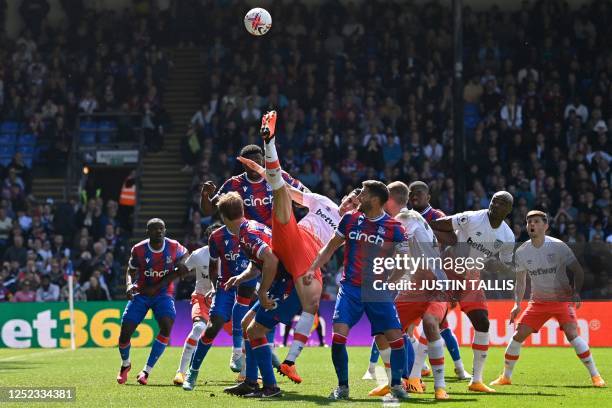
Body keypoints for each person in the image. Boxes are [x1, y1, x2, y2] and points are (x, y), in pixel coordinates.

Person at [236, 111, 357, 383]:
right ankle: (270, 143)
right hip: (293, 238)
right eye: (350, 198)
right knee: (282, 195)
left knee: (312, 305)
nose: (350, 203)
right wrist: (258, 169)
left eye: (356, 204)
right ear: (345, 196)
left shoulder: (353, 224)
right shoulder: (323, 201)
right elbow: (287, 186)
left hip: (309, 255)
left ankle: (289, 362)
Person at [306, 180, 411, 400]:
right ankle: (342, 387)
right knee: (338, 336)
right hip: (350, 288)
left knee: (396, 338)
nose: (358, 197)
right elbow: (330, 246)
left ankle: (397, 385)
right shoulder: (350, 219)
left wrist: (389, 285)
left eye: (362, 193)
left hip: (377, 291)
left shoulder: (395, 228)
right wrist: (313, 267)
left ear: (374, 199)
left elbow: (404, 262)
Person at [490, 210, 605, 388]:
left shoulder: (558, 246)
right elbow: (520, 283)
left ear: (546, 226)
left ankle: (596, 376)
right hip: (538, 303)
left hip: (560, 300)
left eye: (536, 221)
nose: (532, 225)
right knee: (517, 337)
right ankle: (506, 376)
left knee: (572, 334)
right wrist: (516, 305)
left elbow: (578, 270)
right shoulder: (521, 252)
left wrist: (576, 292)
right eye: (529, 222)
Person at [367, 181, 449, 400]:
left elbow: (401, 261)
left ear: (390, 200)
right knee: (383, 331)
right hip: (415, 286)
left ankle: (440, 387)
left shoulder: (406, 219)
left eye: (384, 201)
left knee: (431, 324)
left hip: (435, 285)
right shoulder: (407, 219)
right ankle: (395, 381)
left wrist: (384, 285)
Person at [430, 191, 515, 393]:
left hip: (472, 277)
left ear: (508, 210)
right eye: (494, 200)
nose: (495, 205)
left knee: (483, 322)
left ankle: (476, 381)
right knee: (431, 320)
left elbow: (503, 265)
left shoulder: (507, 236)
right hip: (449, 270)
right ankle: (414, 374)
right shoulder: (473, 217)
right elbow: (440, 224)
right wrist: (445, 242)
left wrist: (500, 267)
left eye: (501, 203)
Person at [180, 217, 257, 388]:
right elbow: (191, 268)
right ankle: (190, 372)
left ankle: (248, 374)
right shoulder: (206, 249)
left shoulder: (252, 234)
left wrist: (259, 285)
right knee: (208, 329)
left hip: (243, 287)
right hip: (217, 291)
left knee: (250, 329)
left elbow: (259, 263)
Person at [116, 218, 189, 385]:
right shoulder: (139, 249)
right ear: (147, 232)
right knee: (125, 331)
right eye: (155, 229)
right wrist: (128, 285)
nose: (159, 232)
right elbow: (130, 270)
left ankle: (146, 371)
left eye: (162, 229)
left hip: (163, 294)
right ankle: (125, 364)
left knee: (167, 325)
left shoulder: (173, 246)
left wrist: (183, 263)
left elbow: (186, 254)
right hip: (141, 292)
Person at [173, 224, 215, 385]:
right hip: (201, 298)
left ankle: (247, 374)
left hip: (223, 300)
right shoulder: (199, 255)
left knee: (242, 332)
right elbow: (183, 269)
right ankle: (181, 373)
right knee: (198, 328)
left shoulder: (230, 254)